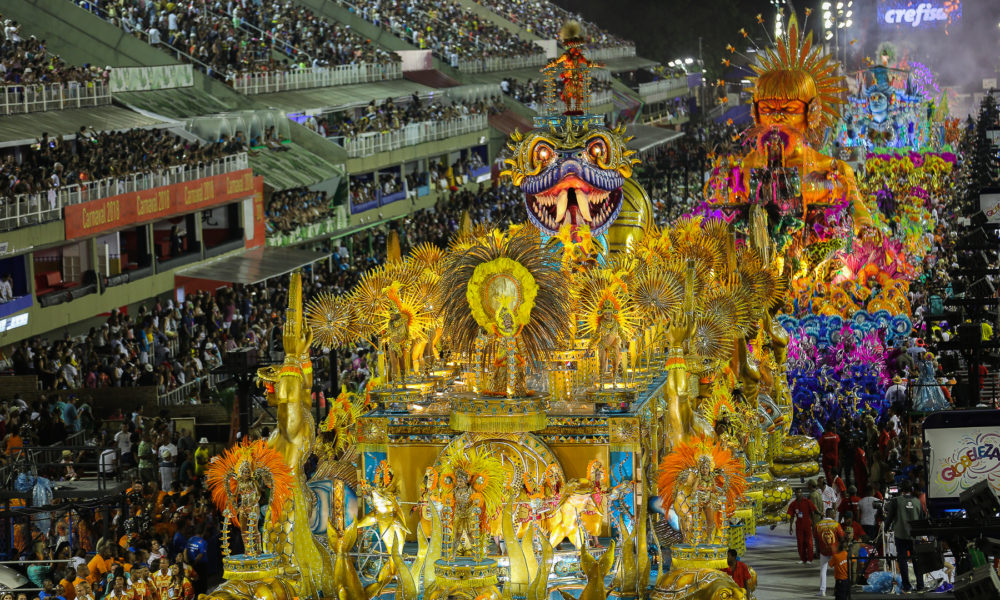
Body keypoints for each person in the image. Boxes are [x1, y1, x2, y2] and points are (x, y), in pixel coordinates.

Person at [885, 479, 927, 593]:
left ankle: (907, 587)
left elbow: (889, 518)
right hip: (915, 536)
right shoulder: (918, 502)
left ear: (901, 489)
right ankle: (920, 587)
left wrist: (885, 528)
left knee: (902, 561)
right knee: (917, 561)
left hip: (900, 535)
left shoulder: (896, 501)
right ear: (912, 489)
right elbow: (923, 519)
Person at [816, 508, 845, 598]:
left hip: (823, 551)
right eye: (834, 514)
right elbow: (842, 537)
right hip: (835, 551)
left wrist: (817, 550)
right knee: (837, 571)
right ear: (832, 514)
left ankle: (822, 591)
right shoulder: (836, 525)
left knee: (823, 570)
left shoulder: (818, 525)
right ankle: (836, 590)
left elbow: (816, 539)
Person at [787, 488, 819, 564]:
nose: (798, 494)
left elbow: (813, 512)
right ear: (795, 494)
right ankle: (803, 558)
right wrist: (790, 527)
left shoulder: (808, 502)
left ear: (802, 493)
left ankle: (809, 559)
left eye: (800, 492)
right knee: (800, 543)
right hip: (799, 525)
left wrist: (813, 524)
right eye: (797, 492)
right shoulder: (793, 504)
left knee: (809, 542)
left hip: (807, 524)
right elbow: (791, 516)